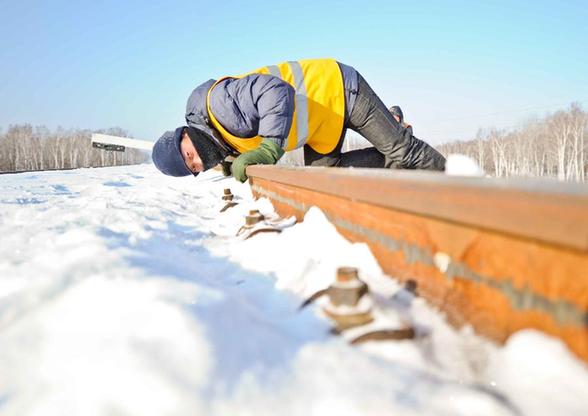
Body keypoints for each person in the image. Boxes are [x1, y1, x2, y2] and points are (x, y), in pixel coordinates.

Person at [152, 58, 445, 181]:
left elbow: (273, 90)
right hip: (321, 126)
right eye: (194, 167)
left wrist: (269, 148)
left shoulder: (218, 106)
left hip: (338, 89)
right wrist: (230, 161)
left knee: (405, 151)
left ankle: (468, 188)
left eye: (189, 154)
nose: (199, 161)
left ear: (184, 133)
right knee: (328, 177)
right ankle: (392, 130)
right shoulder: (219, 138)